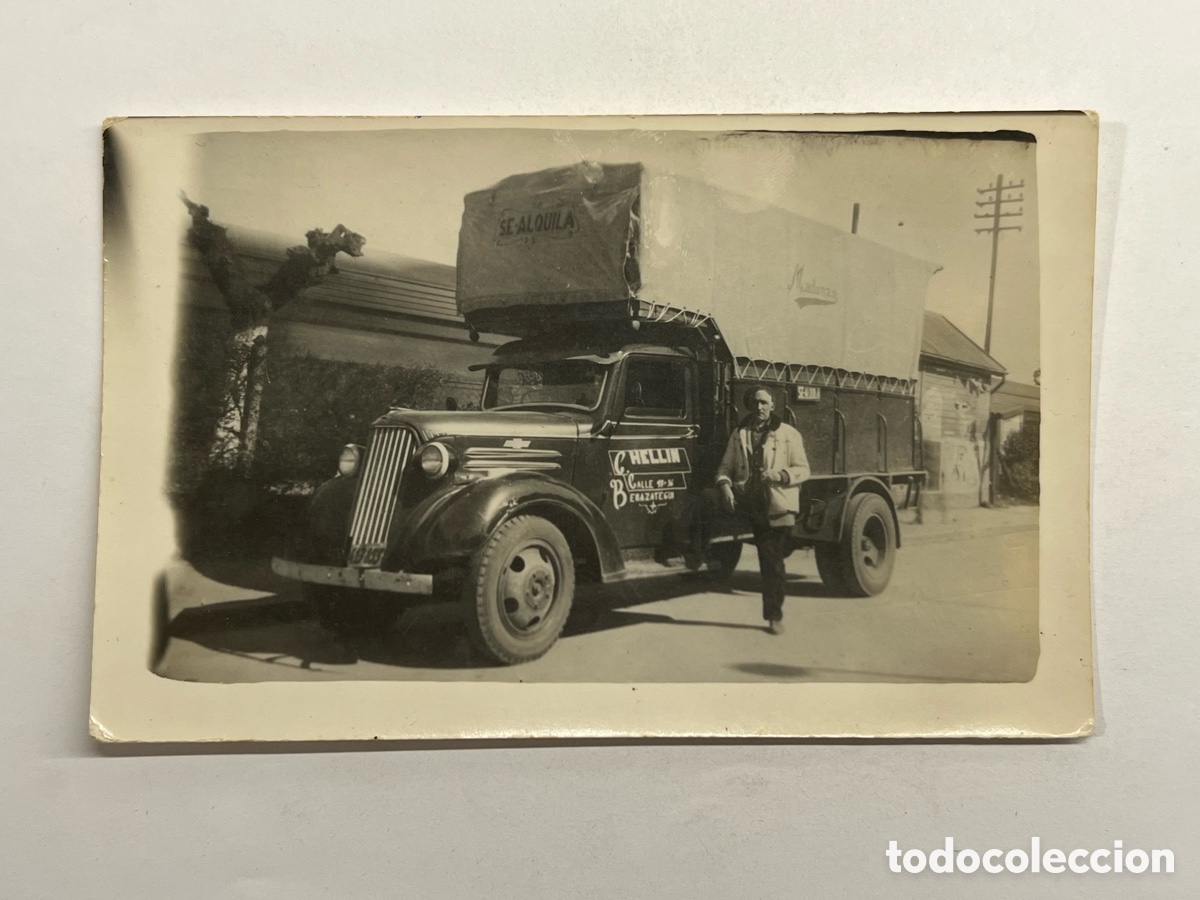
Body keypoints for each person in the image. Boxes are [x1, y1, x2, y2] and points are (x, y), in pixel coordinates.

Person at [716, 388, 810, 634]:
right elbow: (725, 466)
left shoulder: (788, 434)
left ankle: (774, 616)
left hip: (776, 504)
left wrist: (780, 475)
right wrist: (724, 485)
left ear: (773, 404)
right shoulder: (740, 434)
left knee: (771, 563)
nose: (759, 408)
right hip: (749, 503)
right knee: (706, 503)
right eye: (755, 403)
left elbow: (803, 469)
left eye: (764, 403)